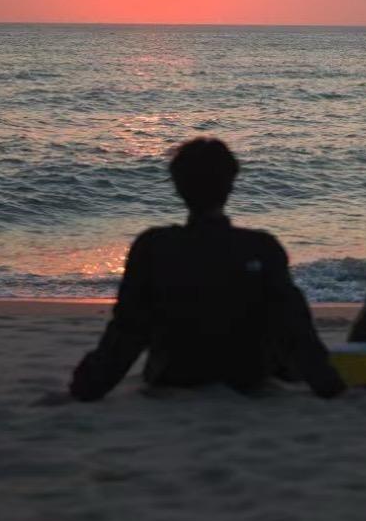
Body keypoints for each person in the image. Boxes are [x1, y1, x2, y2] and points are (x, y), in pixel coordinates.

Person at [69, 137, 345, 400]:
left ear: (178, 188)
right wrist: (327, 383)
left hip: (175, 374)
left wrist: (89, 386)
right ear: (231, 185)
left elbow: (128, 329)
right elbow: (294, 326)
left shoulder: (153, 247)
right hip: (248, 375)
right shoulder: (261, 247)